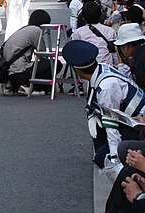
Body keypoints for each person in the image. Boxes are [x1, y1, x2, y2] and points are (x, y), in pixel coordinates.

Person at [62, 39, 145, 172]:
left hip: (138, 124)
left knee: (102, 159)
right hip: (129, 117)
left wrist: (114, 158)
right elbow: (95, 103)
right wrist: (92, 116)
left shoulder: (106, 86)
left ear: (77, 70)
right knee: (100, 144)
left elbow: (111, 123)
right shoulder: (99, 69)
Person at [0, 10, 60, 95]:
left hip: (9, 71)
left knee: (37, 65)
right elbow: (43, 54)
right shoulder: (36, 31)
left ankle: (13, 85)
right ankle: (32, 87)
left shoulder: (25, 29)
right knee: (55, 64)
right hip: (19, 72)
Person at [72, 0, 119, 67]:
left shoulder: (78, 33)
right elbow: (115, 53)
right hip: (106, 68)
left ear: (83, 17)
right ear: (100, 15)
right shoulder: (110, 31)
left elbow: (75, 53)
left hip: (86, 68)